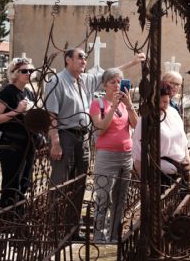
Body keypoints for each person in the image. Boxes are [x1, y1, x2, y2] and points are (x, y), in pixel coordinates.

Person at [44, 48, 144, 237]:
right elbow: (51, 114)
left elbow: (110, 74)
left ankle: (72, 229)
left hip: (82, 136)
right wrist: (55, 141)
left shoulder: (84, 80)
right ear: (67, 60)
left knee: (79, 184)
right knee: (61, 183)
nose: (84, 60)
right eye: (80, 57)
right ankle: (55, 231)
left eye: (85, 58)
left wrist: (132, 63)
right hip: (65, 135)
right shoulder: (56, 81)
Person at [89, 68, 139, 242]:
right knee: (103, 196)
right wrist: (113, 108)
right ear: (105, 85)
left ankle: (114, 234)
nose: (117, 85)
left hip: (125, 156)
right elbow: (101, 129)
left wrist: (129, 105)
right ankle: (98, 235)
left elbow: (136, 125)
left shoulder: (126, 104)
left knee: (120, 197)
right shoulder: (98, 104)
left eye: (119, 82)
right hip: (106, 156)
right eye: (113, 82)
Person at [0, 57, 37, 210]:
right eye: (24, 71)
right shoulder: (7, 92)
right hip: (11, 145)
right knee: (11, 185)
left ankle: (19, 221)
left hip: (27, 145)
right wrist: (16, 111)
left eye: (30, 71)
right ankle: (7, 223)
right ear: (15, 73)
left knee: (24, 184)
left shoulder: (28, 92)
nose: (28, 73)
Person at [132, 82, 190, 187]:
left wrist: (187, 160)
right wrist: (145, 183)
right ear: (153, 100)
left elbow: (183, 139)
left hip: (181, 171)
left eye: (167, 100)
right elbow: (138, 154)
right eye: (163, 101)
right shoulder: (145, 120)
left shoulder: (172, 113)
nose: (166, 103)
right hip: (160, 176)